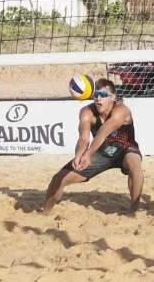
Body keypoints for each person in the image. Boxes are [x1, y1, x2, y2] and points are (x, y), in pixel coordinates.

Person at [44, 78, 143, 214]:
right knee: (58, 179)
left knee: (135, 164)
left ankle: (134, 210)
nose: (98, 99)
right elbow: (83, 138)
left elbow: (102, 133)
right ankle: (45, 213)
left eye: (102, 95)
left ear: (113, 97)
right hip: (101, 153)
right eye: (96, 95)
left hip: (125, 149)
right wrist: (79, 154)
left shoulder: (121, 110)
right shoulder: (87, 112)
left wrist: (88, 154)